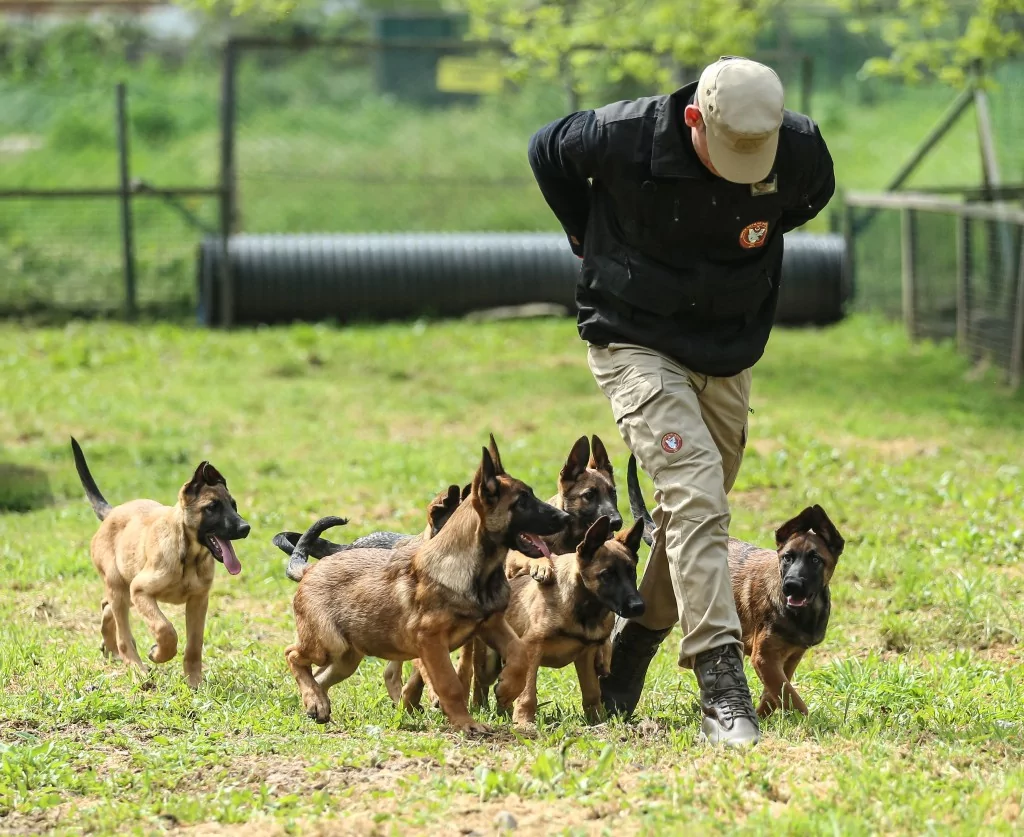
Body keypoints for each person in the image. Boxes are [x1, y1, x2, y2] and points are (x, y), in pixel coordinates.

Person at [527, 56, 835, 747]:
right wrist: (588, 235)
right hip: (632, 337)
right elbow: (543, 150)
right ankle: (722, 690)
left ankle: (629, 656)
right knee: (698, 495)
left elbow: (810, 199)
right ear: (695, 117)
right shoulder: (622, 134)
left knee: (685, 510)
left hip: (725, 349)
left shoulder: (801, 150)